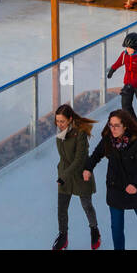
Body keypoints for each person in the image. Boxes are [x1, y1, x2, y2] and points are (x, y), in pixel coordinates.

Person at [82, 109, 137, 250]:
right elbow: (96, 155)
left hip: (135, 189)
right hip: (115, 188)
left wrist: (134, 184)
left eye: (116, 125)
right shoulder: (108, 140)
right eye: (110, 125)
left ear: (125, 126)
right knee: (116, 227)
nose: (113, 129)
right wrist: (88, 168)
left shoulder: (135, 142)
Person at [52, 104, 100, 250]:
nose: (59, 125)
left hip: (80, 175)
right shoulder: (60, 134)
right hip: (65, 174)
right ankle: (63, 236)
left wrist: (64, 175)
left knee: (86, 205)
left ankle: (94, 230)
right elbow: (63, 157)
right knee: (61, 208)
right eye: (57, 121)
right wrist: (61, 171)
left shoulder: (80, 133)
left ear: (70, 119)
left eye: (62, 121)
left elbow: (79, 159)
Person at [108, 31, 137, 129]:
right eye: (126, 47)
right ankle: (133, 125)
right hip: (128, 83)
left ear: (135, 47)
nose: (127, 49)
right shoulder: (125, 54)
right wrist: (113, 69)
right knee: (125, 105)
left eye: (129, 48)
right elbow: (119, 62)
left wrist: (130, 85)